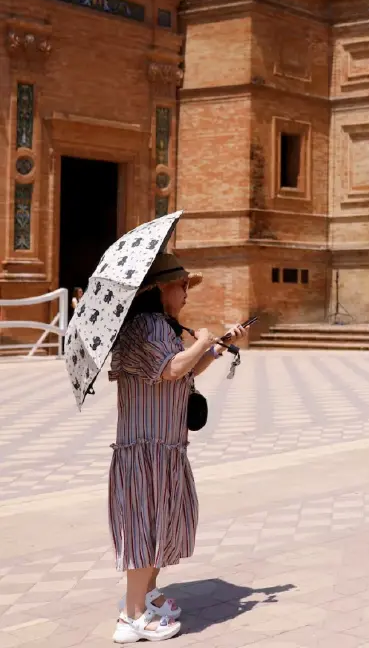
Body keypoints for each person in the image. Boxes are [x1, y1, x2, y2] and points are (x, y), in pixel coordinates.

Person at [108, 253, 248, 642]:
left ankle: (147, 596)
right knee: (143, 528)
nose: (187, 291)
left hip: (164, 447)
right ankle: (132, 616)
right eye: (181, 284)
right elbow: (171, 369)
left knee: (162, 525)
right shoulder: (147, 326)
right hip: (146, 449)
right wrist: (202, 339)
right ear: (159, 289)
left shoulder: (161, 327)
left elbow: (181, 369)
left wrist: (216, 348)